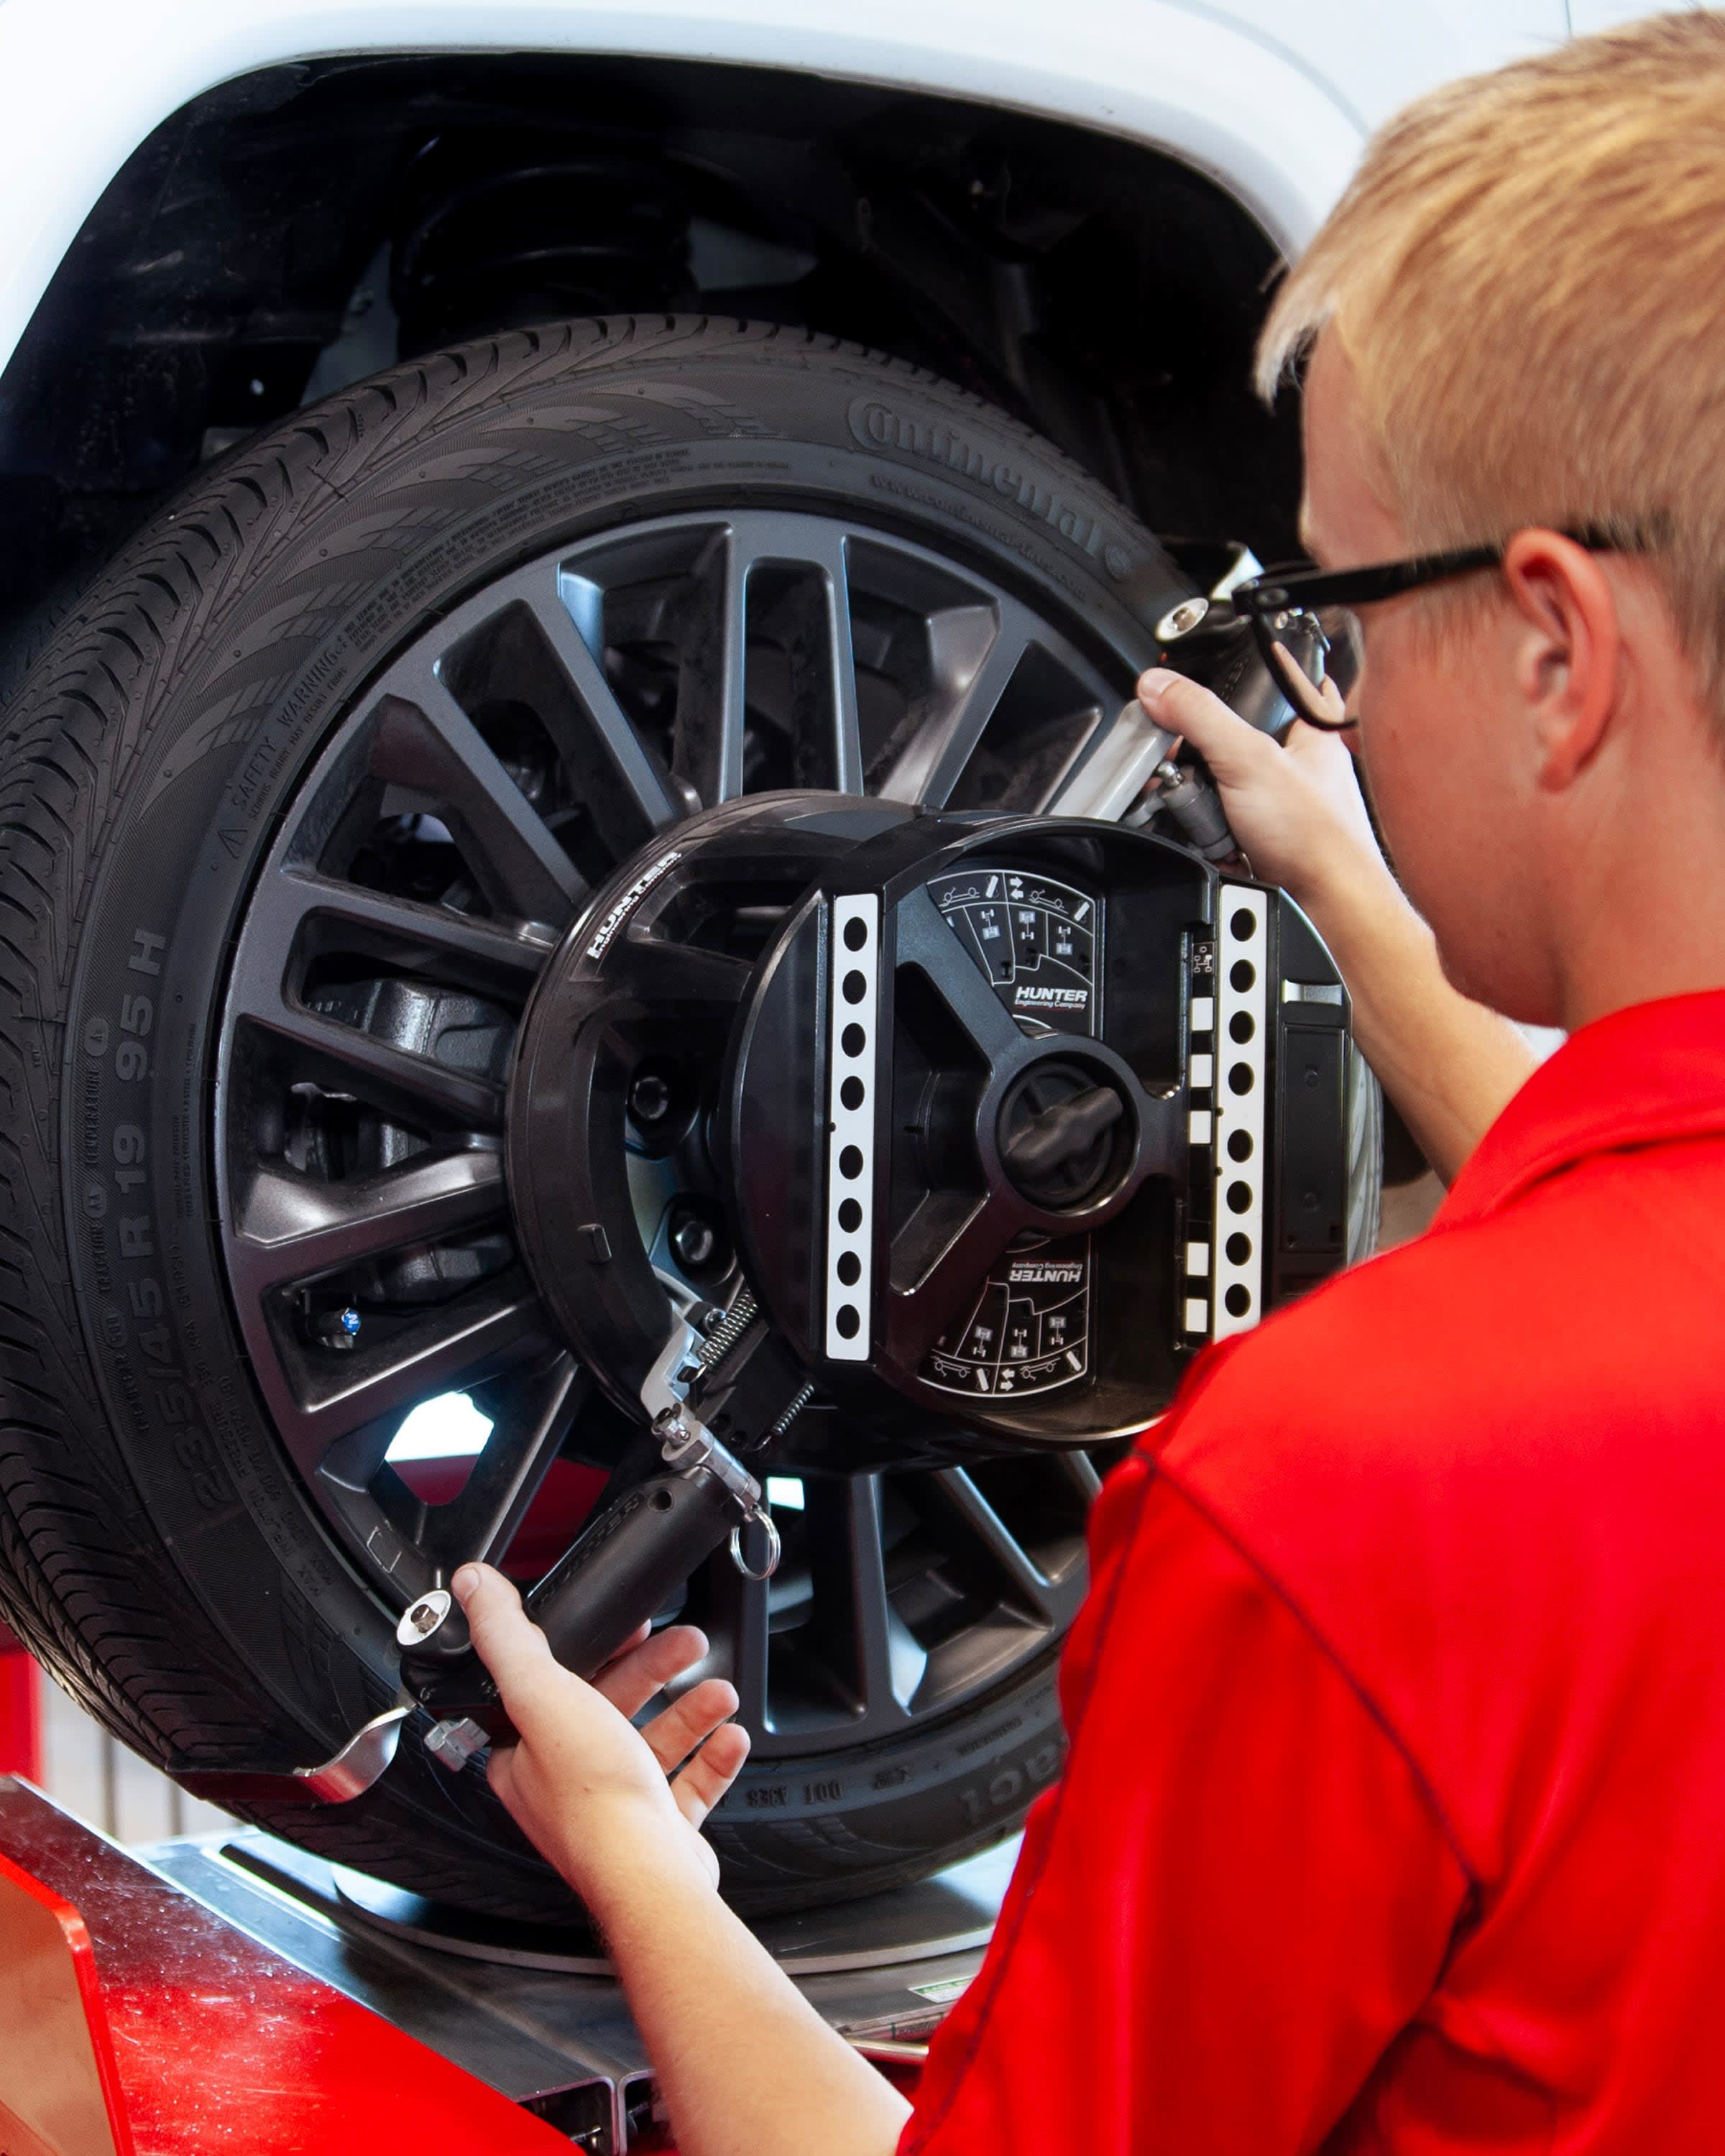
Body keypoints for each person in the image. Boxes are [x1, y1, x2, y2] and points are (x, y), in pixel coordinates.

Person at [453, 17, 1725, 2150]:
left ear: (1554, 654)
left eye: (1336, 610)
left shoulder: (1351, 1493)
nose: (1326, 681)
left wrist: (643, 1870)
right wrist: (1337, 859)